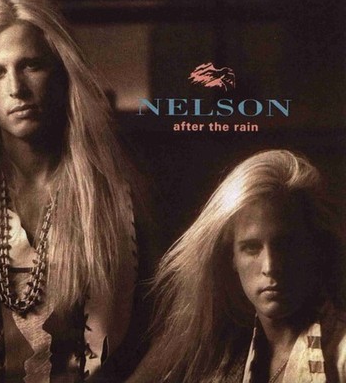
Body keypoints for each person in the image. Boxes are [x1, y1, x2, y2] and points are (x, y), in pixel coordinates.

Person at [0, 0, 139, 382]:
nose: (16, 88)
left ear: (62, 73)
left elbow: (151, 334)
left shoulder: (116, 198)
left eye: (31, 65)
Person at [127, 149, 346, 382]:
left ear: (312, 247)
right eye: (251, 248)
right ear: (231, 256)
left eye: (286, 245)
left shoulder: (341, 354)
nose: (270, 266)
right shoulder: (214, 353)